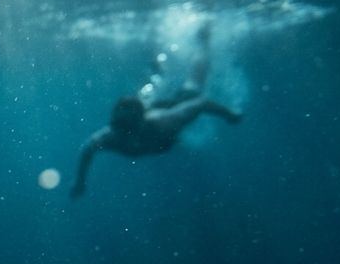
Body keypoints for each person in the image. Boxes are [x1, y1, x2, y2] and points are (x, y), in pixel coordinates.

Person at [69, 21, 242, 199]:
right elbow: (87, 149)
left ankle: (203, 42)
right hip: (150, 114)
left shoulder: (166, 121)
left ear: (141, 122)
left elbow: (202, 103)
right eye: (120, 128)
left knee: (194, 85)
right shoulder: (110, 135)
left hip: (168, 108)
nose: (125, 135)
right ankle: (157, 70)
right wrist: (80, 180)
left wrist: (230, 113)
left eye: (128, 128)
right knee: (150, 94)